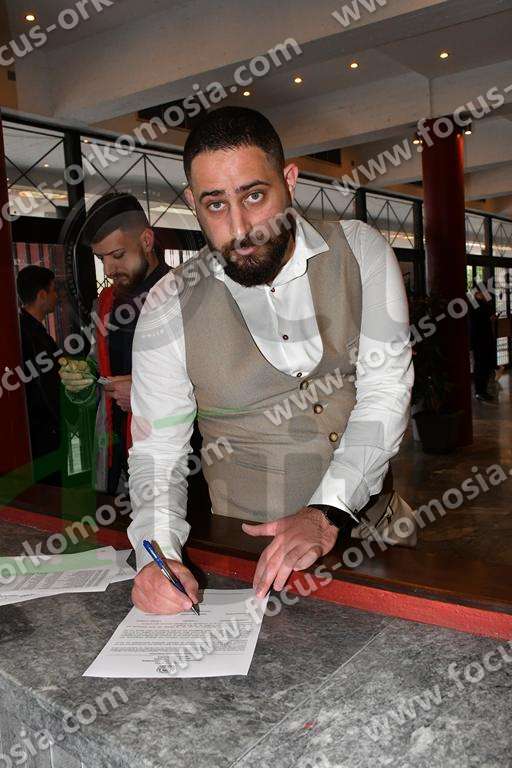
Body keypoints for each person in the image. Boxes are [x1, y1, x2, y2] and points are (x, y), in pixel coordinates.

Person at [128, 106, 414, 614]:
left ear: (289, 181)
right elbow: (158, 451)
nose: (240, 228)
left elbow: (386, 391)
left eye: (254, 196)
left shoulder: (360, 251)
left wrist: (326, 511)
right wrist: (158, 554)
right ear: (193, 203)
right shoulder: (168, 305)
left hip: (377, 539)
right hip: (251, 563)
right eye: (216, 205)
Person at [59, 193, 170, 493]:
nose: (108, 270)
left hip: (172, 459)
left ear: (146, 241)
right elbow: (99, 365)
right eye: (101, 259)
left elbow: (213, 383)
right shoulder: (106, 302)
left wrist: (144, 394)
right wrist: (83, 378)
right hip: (115, 457)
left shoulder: (185, 296)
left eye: (117, 255)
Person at [17, 265, 62, 481]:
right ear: (42, 295)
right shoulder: (28, 336)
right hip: (42, 433)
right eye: (53, 290)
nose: (57, 296)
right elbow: (44, 388)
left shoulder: (31, 331)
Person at [469, 288, 496, 403]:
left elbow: (487, 316)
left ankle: (483, 391)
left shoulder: (484, 304)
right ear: (478, 293)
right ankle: (479, 392)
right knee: (480, 366)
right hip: (479, 341)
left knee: (485, 366)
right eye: (484, 293)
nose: (486, 295)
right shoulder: (473, 304)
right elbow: (475, 323)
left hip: (485, 340)